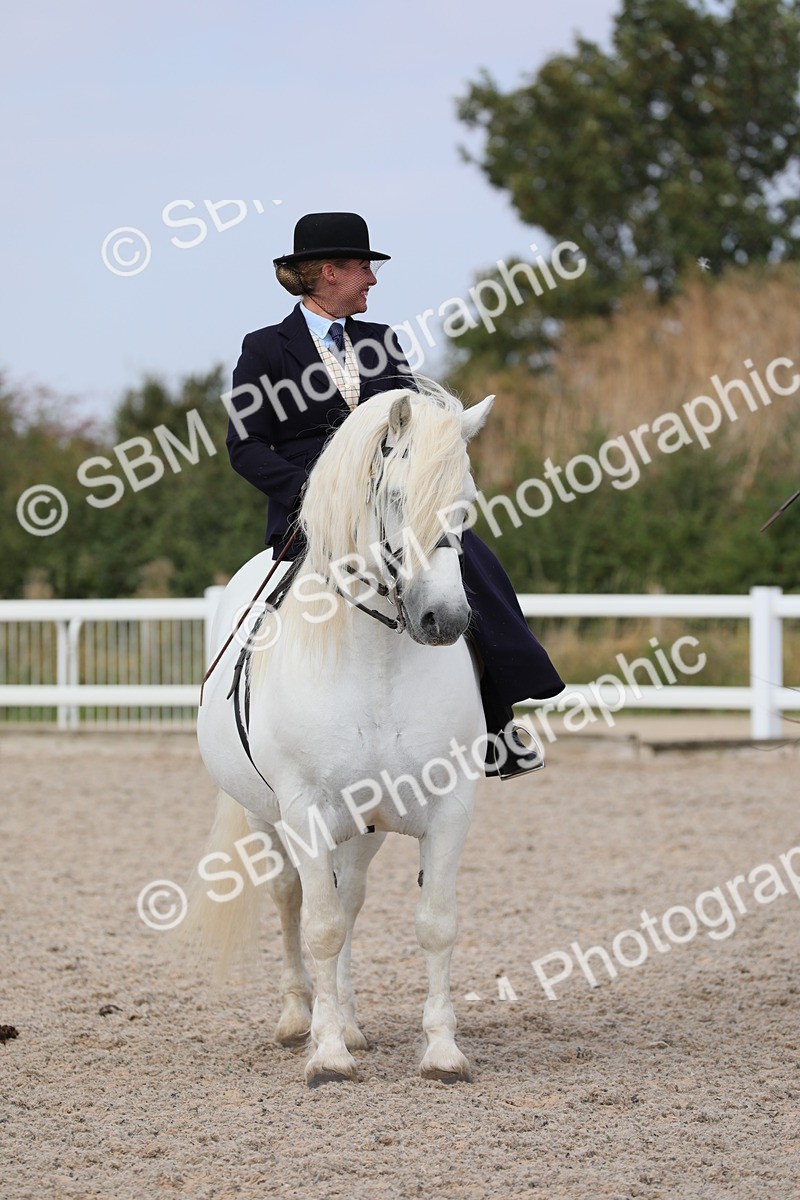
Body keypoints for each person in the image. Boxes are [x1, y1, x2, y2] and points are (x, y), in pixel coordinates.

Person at [225, 212, 565, 779]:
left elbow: (419, 430)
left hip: (390, 512)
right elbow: (245, 444)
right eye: (364, 268)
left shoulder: (382, 342)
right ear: (329, 271)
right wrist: (319, 495)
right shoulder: (264, 349)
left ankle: (497, 723)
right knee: (259, 612)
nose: (373, 281)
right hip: (313, 519)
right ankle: (248, 721)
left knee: (471, 560)